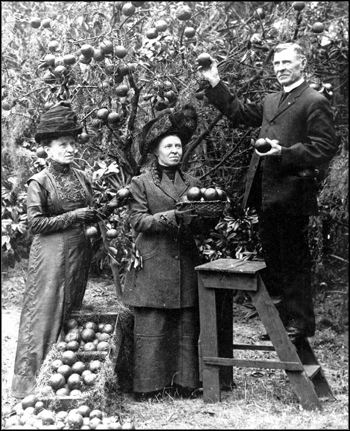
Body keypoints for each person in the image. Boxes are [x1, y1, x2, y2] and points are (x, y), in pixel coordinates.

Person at [198, 42, 338, 343]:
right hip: (267, 193)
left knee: (294, 259)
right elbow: (238, 113)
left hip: (293, 193)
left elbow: (326, 147)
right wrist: (215, 83)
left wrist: (284, 152)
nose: (281, 68)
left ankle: (300, 325)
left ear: (302, 64)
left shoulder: (313, 100)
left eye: (287, 62)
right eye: (276, 64)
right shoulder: (273, 99)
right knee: (274, 259)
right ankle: (281, 322)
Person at [11, 101, 120, 399]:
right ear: (47, 147)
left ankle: (61, 377)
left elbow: (90, 212)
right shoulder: (40, 182)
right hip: (50, 255)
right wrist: (75, 217)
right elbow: (35, 224)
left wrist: (110, 207)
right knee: (46, 312)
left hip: (78, 253)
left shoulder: (82, 176)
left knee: (71, 309)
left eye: (73, 143)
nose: (71, 149)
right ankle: (31, 386)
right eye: (63, 144)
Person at [123, 104, 230, 399]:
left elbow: (198, 221)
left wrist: (207, 218)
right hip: (154, 261)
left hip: (184, 260)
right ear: (156, 150)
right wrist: (172, 216)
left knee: (185, 323)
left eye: (178, 146)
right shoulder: (140, 183)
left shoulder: (193, 184)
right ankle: (149, 386)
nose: (174, 150)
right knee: (154, 324)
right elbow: (137, 221)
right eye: (168, 145)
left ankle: (185, 383)